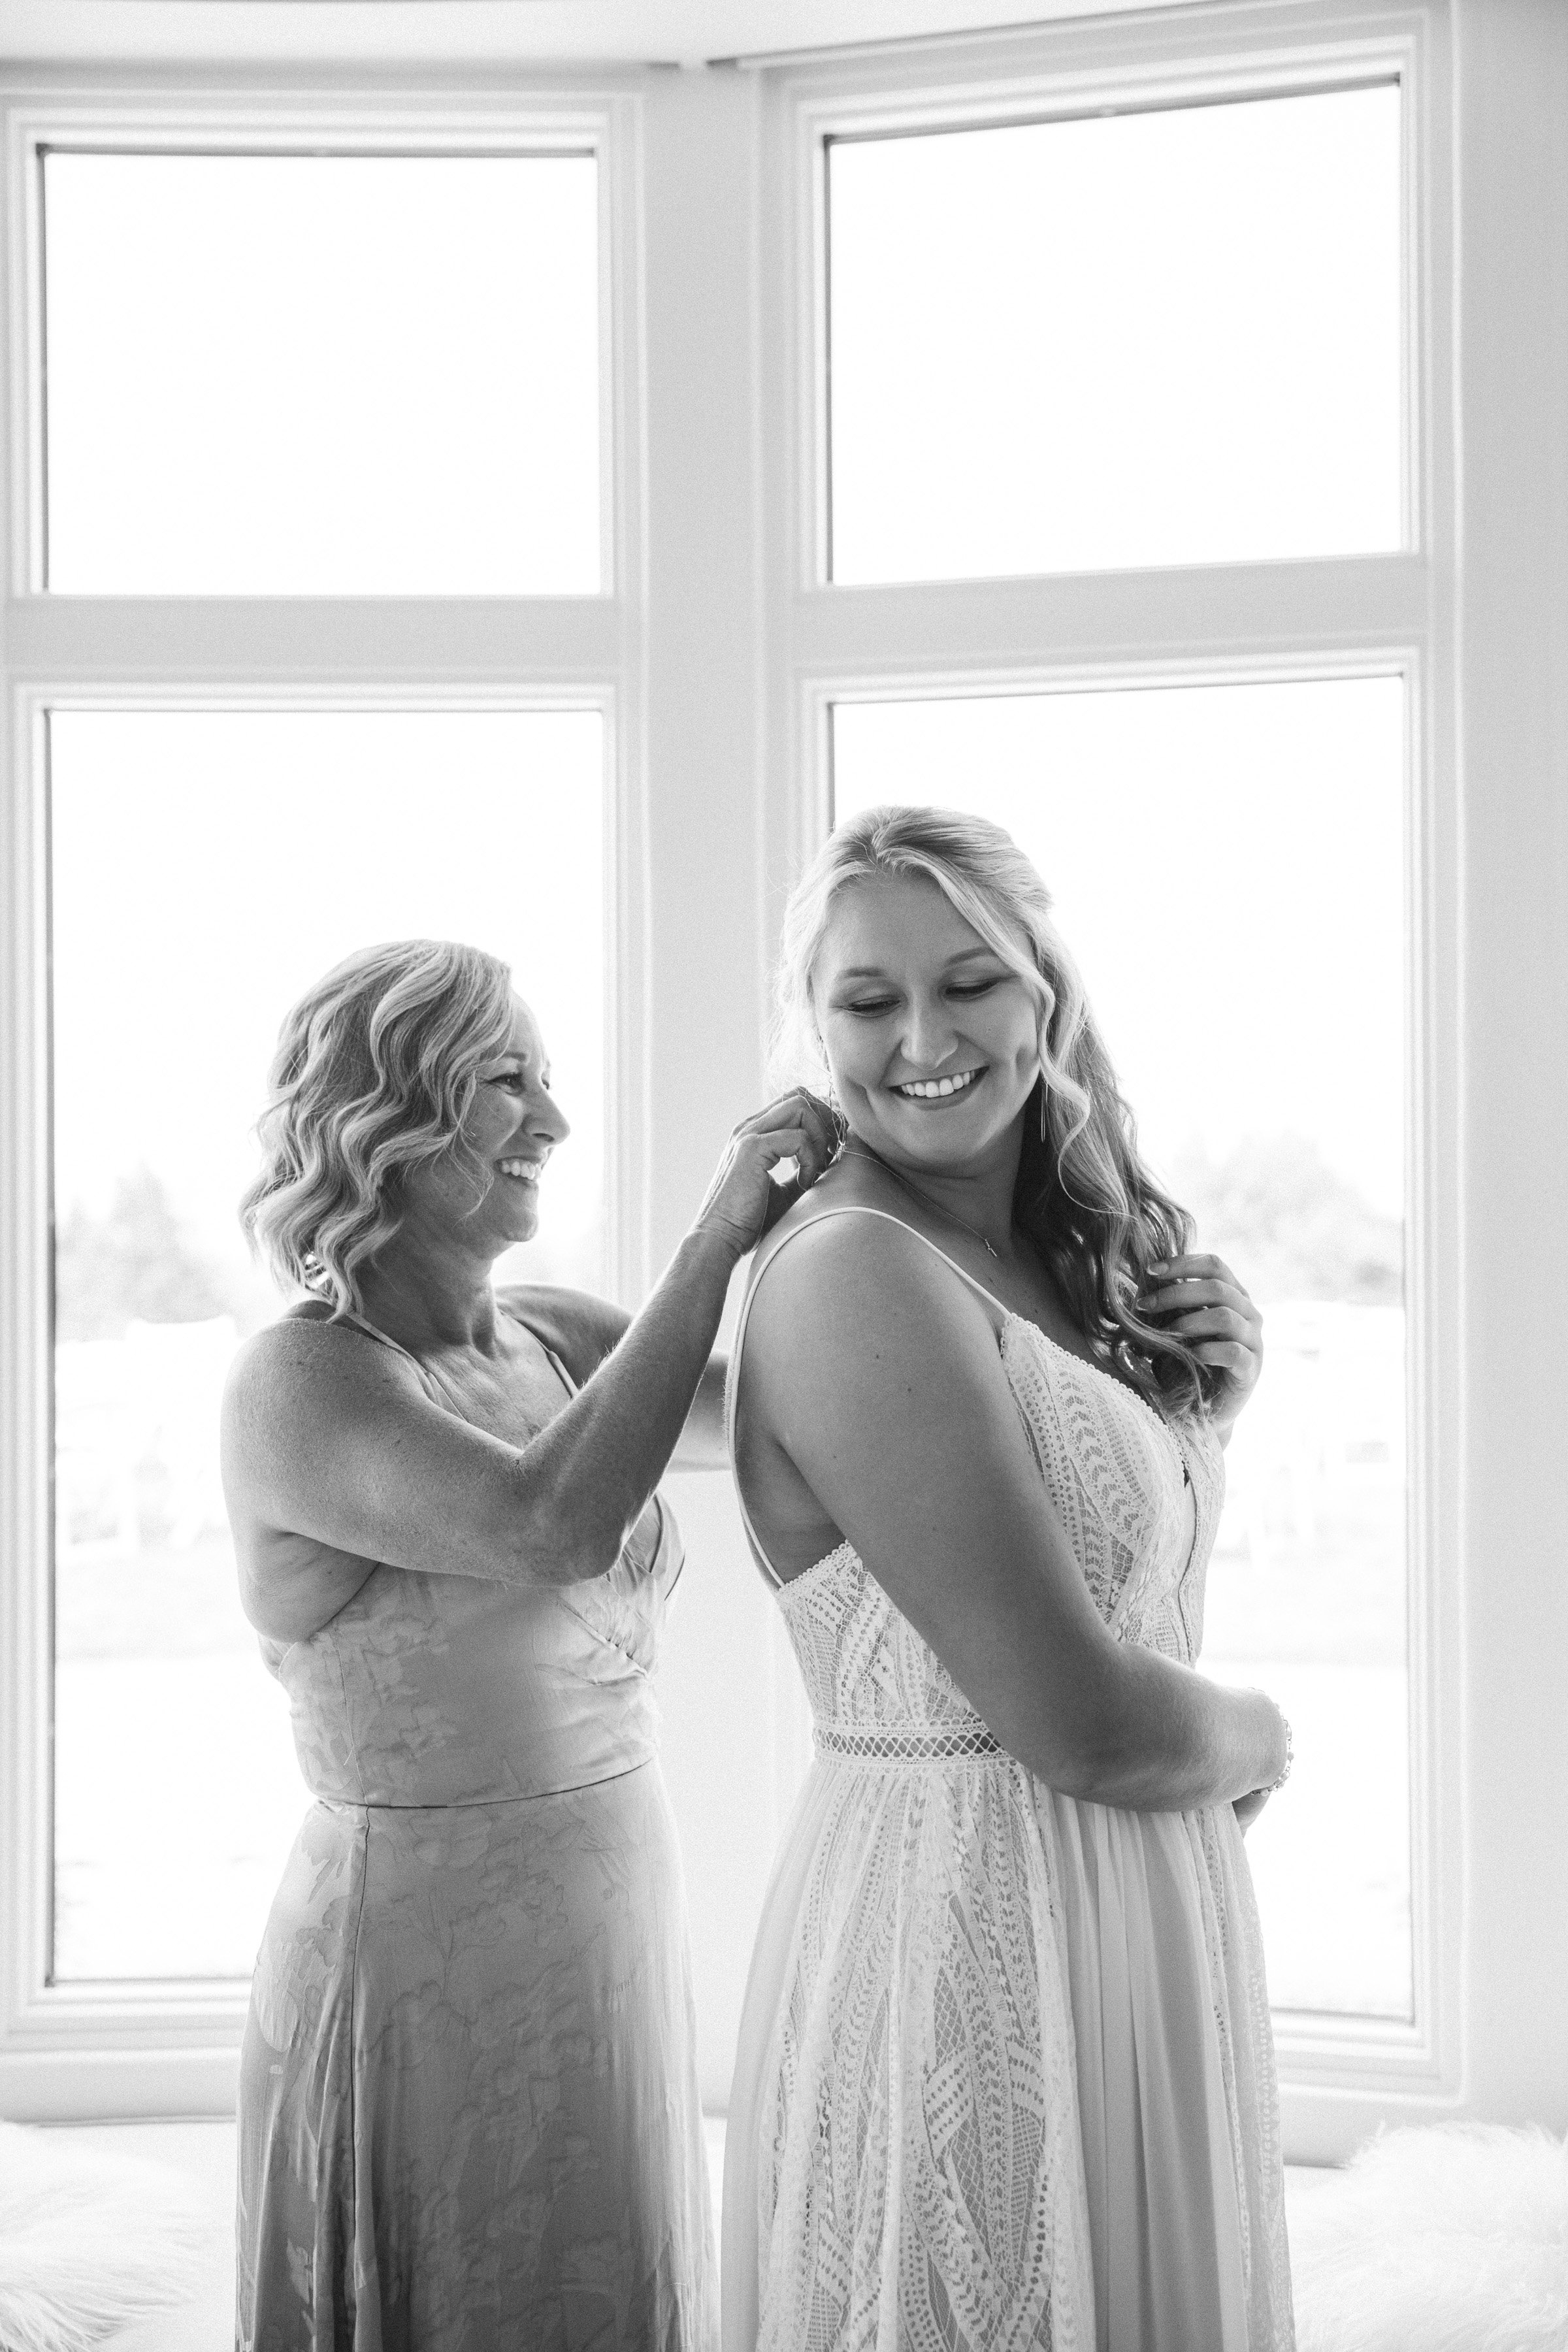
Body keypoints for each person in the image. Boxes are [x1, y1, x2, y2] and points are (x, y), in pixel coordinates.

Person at [723, 806, 1296, 2352]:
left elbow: (1119, 1615)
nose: (924, 1035)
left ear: (1046, 992)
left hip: (1124, 1906)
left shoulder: (1048, 1255)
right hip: (962, 1932)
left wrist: (1197, 1424)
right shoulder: (853, 1274)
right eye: (868, 999)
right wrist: (1265, 1738)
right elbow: (1090, 1725)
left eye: (970, 981)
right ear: (819, 1027)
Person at [223, 936, 835, 2352]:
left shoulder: (556, 1336)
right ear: (388, 1115)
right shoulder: (300, 1383)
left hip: (611, 1909)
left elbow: (799, 1420)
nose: (552, 1126)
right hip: (417, 1957)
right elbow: (549, 1519)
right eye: (509, 1082)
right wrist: (718, 1232)